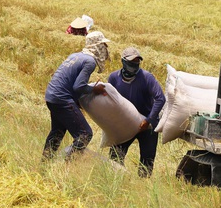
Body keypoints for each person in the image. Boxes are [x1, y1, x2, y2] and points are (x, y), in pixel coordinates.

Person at [43, 31, 111, 161]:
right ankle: (65, 163)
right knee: (84, 134)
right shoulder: (90, 61)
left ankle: (45, 163)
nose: (105, 49)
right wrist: (94, 89)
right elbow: (78, 86)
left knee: (57, 132)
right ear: (96, 45)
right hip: (62, 99)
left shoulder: (75, 55)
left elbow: (70, 82)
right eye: (103, 45)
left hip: (52, 96)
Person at [107, 47, 165, 177]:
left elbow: (160, 99)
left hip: (146, 124)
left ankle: (143, 184)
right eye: (131, 62)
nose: (134, 65)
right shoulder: (114, 78)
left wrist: (148, 120)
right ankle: (116, 179)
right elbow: (109, 98)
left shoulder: (146, 78)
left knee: (147, 159)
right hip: (125, 123)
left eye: (137, 62)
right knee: (116, 155)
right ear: (123, 62)